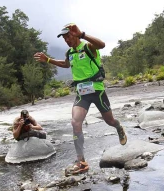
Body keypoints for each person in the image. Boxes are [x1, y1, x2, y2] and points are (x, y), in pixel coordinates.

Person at [34, 23, 127, 175]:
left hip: (97, 91)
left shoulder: (88, 47)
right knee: (75, 123)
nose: (66, 40)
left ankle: (119, 128)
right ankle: (81, 162)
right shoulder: (70, 52)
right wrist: (48, 60)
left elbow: (102, 45)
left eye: (68, 36)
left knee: (109, 121)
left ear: (75, 34)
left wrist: (82, 34)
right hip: (82, 93)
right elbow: (65, 64)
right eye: (64, 38)